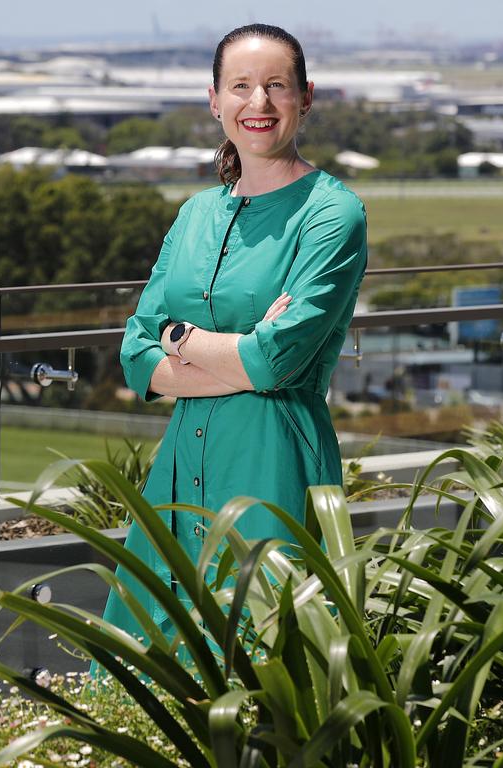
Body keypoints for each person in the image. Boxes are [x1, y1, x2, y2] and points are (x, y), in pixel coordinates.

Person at [102, 23, 368, 639]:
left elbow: (278, 364)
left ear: (306, 97)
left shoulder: (333, 212)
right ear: (214, 99)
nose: (260, 103)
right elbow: (135, 358)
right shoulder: (195, 212)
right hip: (176, 468)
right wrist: (234, 356)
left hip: (272, 462)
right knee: (152, 667)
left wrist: (181, 339)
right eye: (241, 86)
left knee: (268, 657)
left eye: (277, 86)